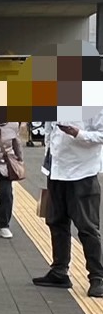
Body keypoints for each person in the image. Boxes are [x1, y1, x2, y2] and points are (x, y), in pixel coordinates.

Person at [36, 110, 103, 297]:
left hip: (83, 172)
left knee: (87, 227)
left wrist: (78, 134)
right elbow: (50, 130)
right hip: (56, 170)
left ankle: (97, 277)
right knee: (56, 221)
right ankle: (59, 270)